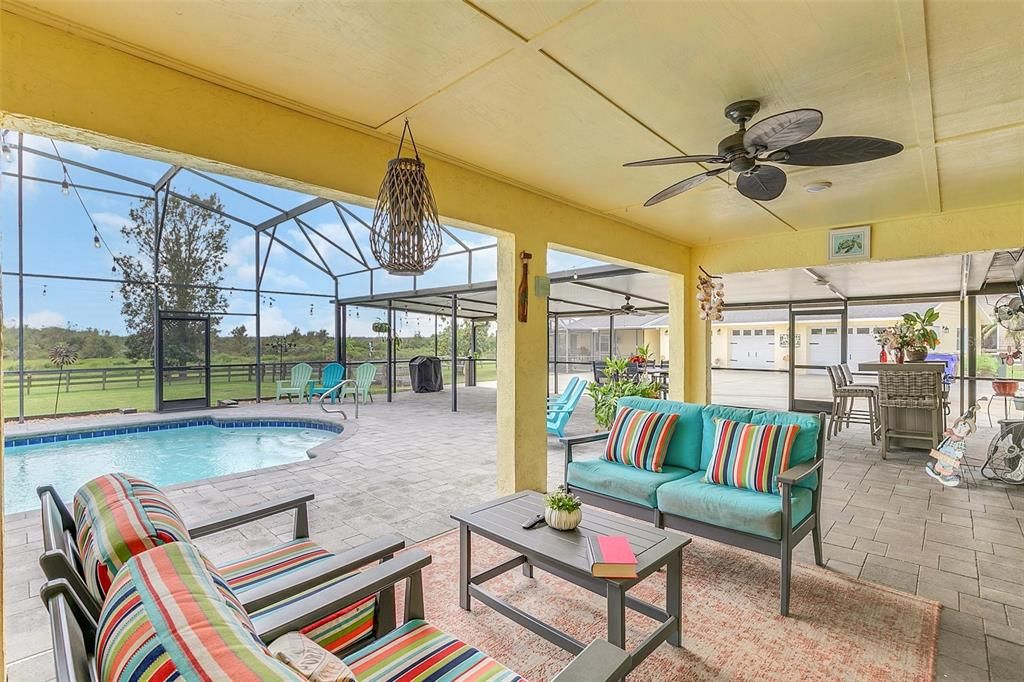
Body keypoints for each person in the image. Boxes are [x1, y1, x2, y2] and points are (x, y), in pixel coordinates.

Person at [925, 406, 978, 487]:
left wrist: (958, 453)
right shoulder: (950, 436)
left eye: (963, 429)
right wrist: (939, 447)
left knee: (947, 467)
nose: (960, 429)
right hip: (943, 454)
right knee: (940, 463)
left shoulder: (960, 442)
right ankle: (936, 471)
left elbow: (959, 452)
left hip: (950, 458)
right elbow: (944, 442)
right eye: (959, 427)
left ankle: (945, 477)